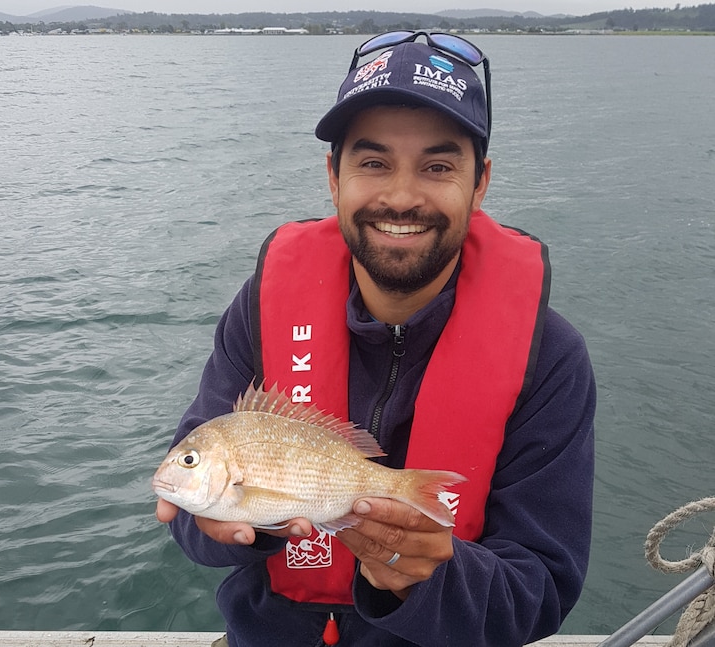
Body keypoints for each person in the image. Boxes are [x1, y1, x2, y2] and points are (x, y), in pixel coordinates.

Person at [156, 30, 595, 647]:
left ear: (481, 182)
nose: (401, 196)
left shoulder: (550, 358)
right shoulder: (258, 310)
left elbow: (539, 595)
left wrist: (423, 576)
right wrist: (228, 527)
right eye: (372, 162)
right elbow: (188, 513)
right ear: (334, 177)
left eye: (438, 166)